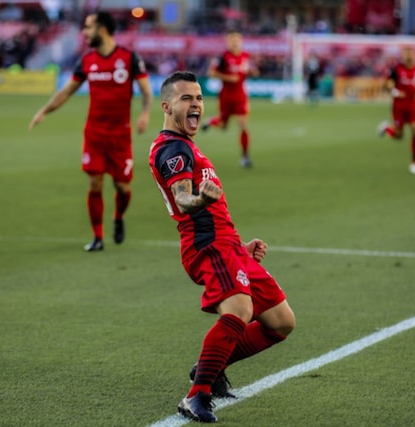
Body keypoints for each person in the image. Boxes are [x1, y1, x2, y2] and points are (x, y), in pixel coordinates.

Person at [149, 71, 295, 423]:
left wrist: (240, 249)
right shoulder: (173, 148)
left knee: (280, 323)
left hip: (227, 246)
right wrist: (200, 199)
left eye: (199, 97)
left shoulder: (187, 144)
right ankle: (195, 395)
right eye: (186, 98)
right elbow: (183, 200)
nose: (196, 103)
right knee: (239, 310)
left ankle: (209, 368)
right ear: (167, 106)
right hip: (207, 245)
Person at [29, 11, 152, 251]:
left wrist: (144, 114)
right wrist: (44, 110)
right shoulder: (86, 61)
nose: (84, 32)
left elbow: (146, 90)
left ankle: (118, 217)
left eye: (88, 27)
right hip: (94, 133)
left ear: (102, 29)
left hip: (120, 135)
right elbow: (66, 91)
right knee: (94, 184)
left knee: (122, 187)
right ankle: (97, 237)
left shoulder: (128, 58)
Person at [201, 29, 258, 168]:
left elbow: (252, 70)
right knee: (223, 126)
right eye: (232, 40)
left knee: (243, 126)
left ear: (241, 41)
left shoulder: (246, 56)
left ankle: (245, 157)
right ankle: (212, 121)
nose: (235, 43)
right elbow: (211, 72)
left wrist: (253, 71)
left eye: (237, 40)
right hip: (226, 96)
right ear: (227, 42)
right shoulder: (222, 57)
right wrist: (228, 78)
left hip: (240, 96)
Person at [377, 46, 415, 175]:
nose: (408, 56)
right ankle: (386, 128)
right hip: (399, 106)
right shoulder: (396, 70)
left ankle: (414, 164)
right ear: (403, 56)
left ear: (414, 55)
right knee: (399, 135)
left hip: (412, 105)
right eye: (405, 54)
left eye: (410, 54)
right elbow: (386, 85)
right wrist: (395, 92)